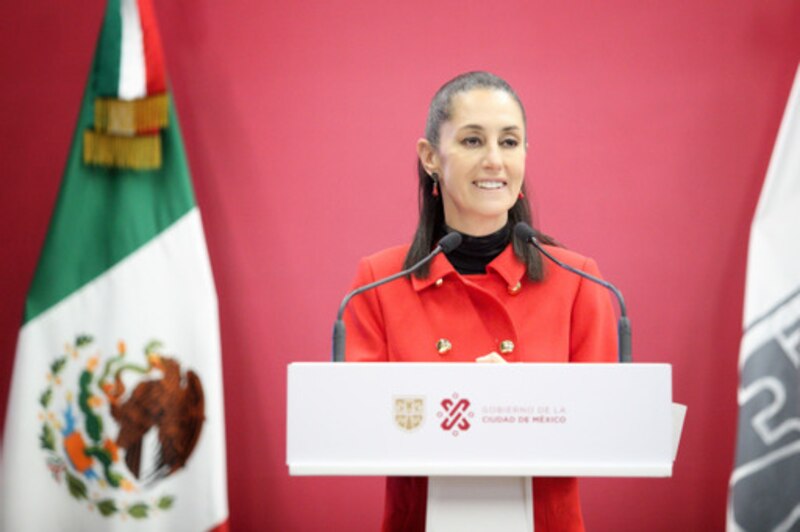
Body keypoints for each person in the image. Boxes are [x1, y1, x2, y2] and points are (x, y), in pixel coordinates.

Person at [344, 71, 617, 532]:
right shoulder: (378, 282)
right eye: (473, 141)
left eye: (510, 143)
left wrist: (517, 403)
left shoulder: (577, 280)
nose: (495, 160)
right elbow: (358, 425)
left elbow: (606, 427)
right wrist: (470, 403)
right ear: (430, 157)